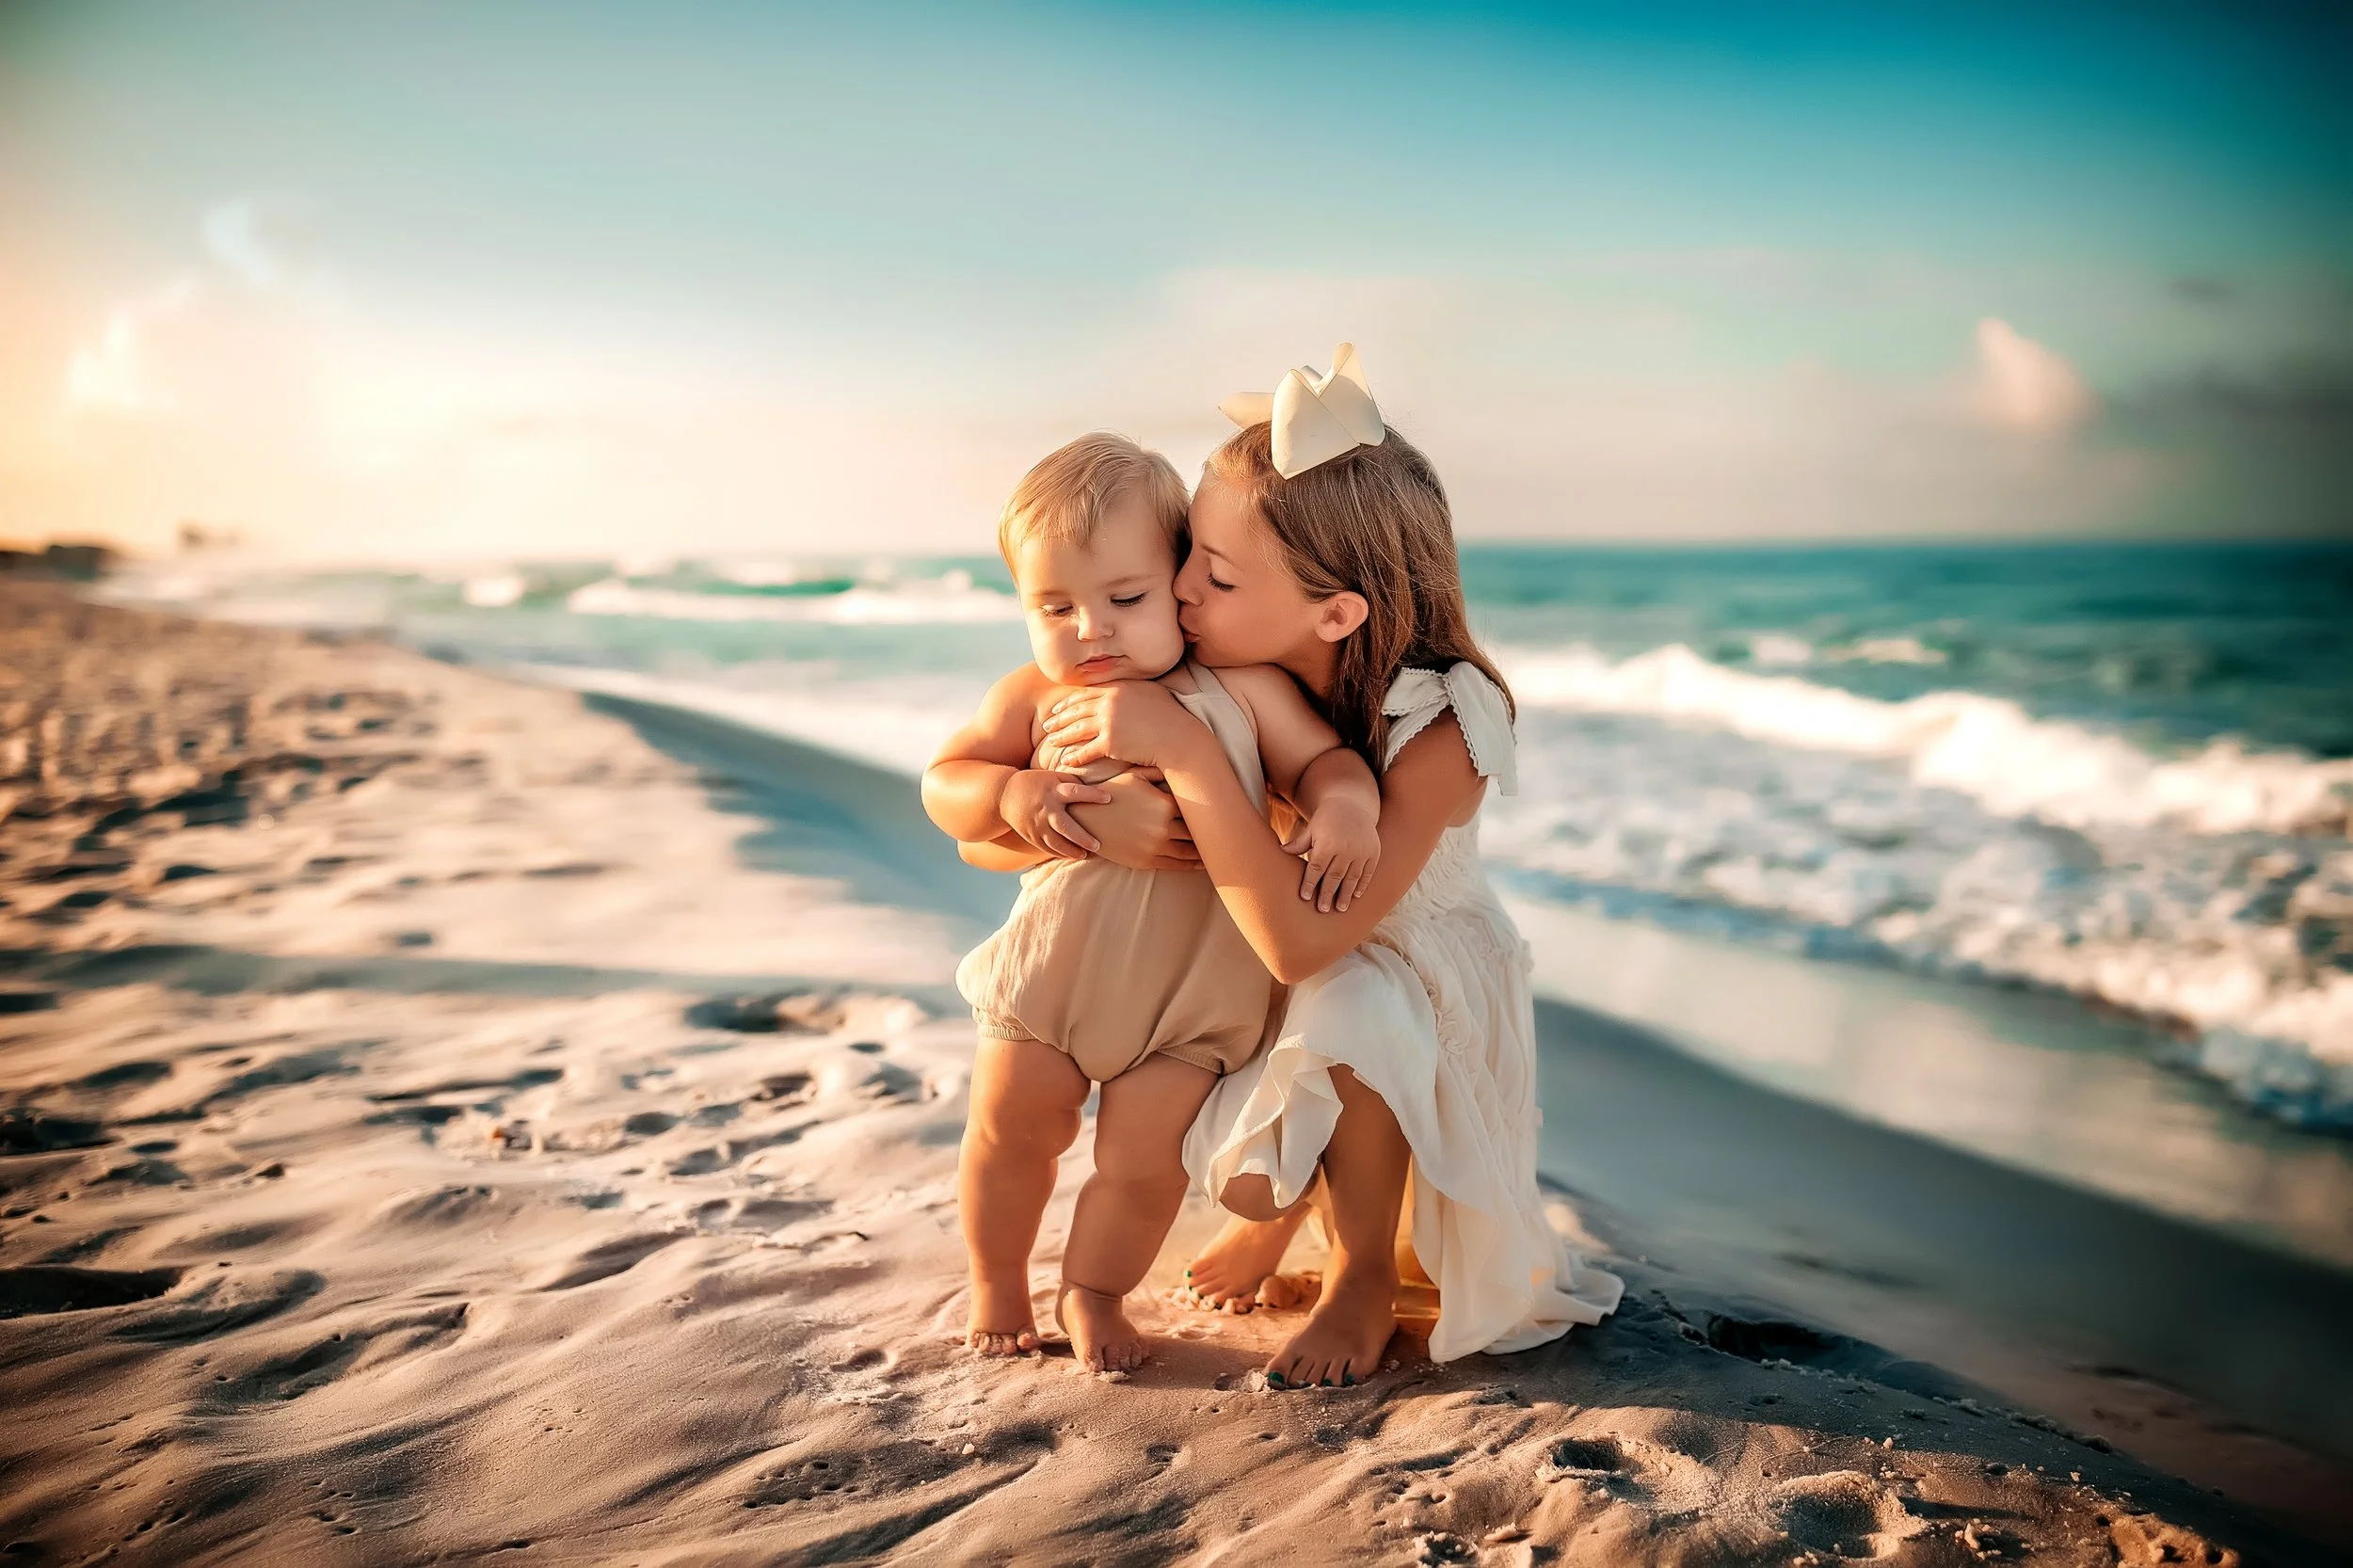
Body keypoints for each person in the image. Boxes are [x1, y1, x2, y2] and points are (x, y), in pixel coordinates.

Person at [1041, 347, 1624, 1389]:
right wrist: (1073, 815)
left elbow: (1309, 936)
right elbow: (986, 829)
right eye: (1187, 558)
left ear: (1338, 612)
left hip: (1404, 972)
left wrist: (1180, 751)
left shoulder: (1443, 724)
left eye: (1213, 576)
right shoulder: (1224, 661)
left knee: (1351, 996)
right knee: (1256, 1071)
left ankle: (1359, 1274)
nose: (1178, 591)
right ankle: (1287, 1217)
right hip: (1271, 949)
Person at [922, 432, 1383, 1373]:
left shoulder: (1241, 690)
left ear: (1177, 580)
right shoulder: (1036, 694)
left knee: (1142, 1165)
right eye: (1053, 606)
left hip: (1191, 1003)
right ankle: (998, 1281)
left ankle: (1092, 1291)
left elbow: (1324, 761)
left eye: (1124, 599)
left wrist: (1346, 805)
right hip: (1053, 978)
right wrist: (1010, 794)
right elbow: (946, 780)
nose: (1089, 628)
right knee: (1011, 1133)